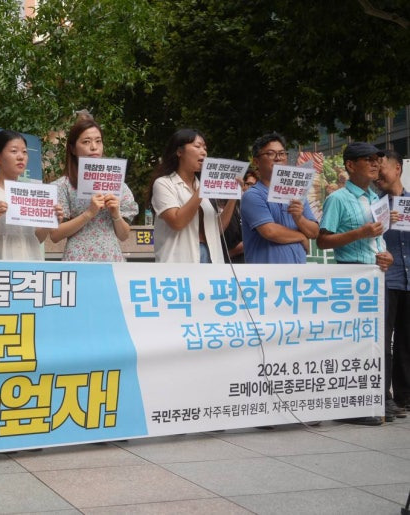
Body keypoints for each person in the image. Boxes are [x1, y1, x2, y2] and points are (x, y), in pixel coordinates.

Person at [317, 142, 393, 426]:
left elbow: (378, 240)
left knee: (375, 342)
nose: (375, 163)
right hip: (350, 275)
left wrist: (387, 255)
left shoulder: (376, 198)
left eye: (377, 159)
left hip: (376, 275)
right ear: (350, 165)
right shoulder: (337, 199)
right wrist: (359, 233)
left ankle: (372, 400)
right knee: (353, 343)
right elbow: (322, 240)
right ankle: (348, 407)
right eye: (368, 159)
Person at [49, 117, 138, 261]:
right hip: (78, 260)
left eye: (98, 141)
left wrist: (116, 214)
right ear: (72, 149)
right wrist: (89, 213)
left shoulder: (118, 184)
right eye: (86, 142)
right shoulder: (62, 186)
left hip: (111, 261)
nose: (94, 147)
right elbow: (55, 235)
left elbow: (124, 235)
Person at [0, 130, 61, 260]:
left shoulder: (31, 194)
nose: (21, 157)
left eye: (24, 152)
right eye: (14, 151)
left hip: (27, 264)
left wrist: (49, 222)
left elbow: (35, 239)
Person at [148, 129, 237, 263]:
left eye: (205, 148)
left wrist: (234, 196)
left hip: (211, 256)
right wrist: (203, 189)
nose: (204, 152)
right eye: (197, 146)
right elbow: (177, 222)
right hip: (179, 260)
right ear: (179, 152)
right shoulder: (163, 184)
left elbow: (217, 229)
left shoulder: (201, 186)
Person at [241, 132, 319, 264]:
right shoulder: (253, 195)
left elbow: (314, 232)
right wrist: (301, 236)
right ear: (256, 161)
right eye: (270, 153)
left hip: (298, 273)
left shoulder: (297, 193)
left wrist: (299, 218)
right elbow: (270, 231)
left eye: (282, 153)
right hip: (267, 274)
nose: (278, 158)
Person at [373, 149, 409, 420]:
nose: (377, 174)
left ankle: (405, 396)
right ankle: (383, 396)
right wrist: (384, 223)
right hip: (385, 279)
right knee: (383, 342)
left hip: (408, 281)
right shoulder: (375, 206)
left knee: (407, 340)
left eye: (381, 167)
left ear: (397, 169)